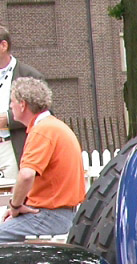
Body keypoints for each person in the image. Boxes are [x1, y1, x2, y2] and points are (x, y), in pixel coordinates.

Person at [0, 77, 85, 242]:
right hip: (61, 213)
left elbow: (26, 175)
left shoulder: (42, 131)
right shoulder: (54, 126)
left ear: (22, 104)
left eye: (12, 101)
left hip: (49, 216)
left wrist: (15, 206)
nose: (10, 106)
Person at [0, 26, 43, 181]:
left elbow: (44, 112)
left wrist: (8, 119)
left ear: (3, 46)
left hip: (12, 146)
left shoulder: (29, 75)